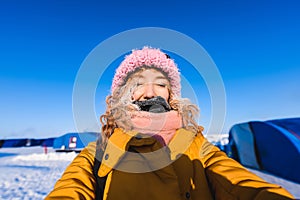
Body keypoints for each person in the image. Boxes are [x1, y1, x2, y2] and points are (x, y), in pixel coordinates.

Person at [46, 47, 294, 200]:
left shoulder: (196, 145)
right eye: (138, 83)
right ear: (124, 94)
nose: (150, 92)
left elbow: (236, 180)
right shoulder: (98, 151)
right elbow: (71, 187)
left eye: (161, 84)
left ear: (171, 95)